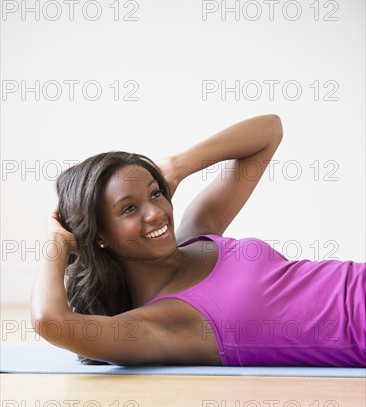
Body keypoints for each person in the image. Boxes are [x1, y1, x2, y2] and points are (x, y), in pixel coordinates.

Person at [31, 114, 366, 367]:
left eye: (155, 194)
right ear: (98, 234)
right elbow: (51, 322)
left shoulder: (197, 233)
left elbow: (269, 131)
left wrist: (176, 167)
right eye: (130, 208)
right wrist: (58, 242)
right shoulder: (162, 325)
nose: (156, 213)